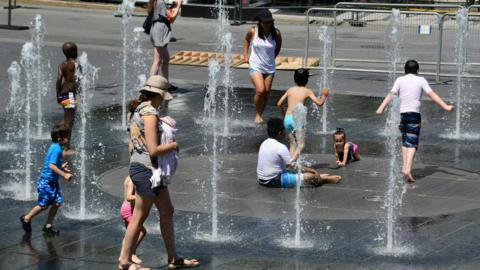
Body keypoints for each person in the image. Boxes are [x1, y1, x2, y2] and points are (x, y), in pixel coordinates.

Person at [118, 75, 199, 270]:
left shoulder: (137, 110)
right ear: (158, 95)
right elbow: (154, 150)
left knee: (167, 210)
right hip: (147, 171)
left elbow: (132, 145)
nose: (163, 100)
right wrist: (173, 145)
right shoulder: (150, 114)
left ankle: (173, 258)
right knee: (138, 216)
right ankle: (124, 261)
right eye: (163, 97)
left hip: (147, 169)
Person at [376, 59, 454, 183]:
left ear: (405, 70)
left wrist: (381, 108)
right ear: (417, 71)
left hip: (403, 115)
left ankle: (404, 167)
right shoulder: (421, 80)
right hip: (414, 115)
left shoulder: (399, 80)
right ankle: (407, 169)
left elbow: (391, 94)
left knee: (405, 141)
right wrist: (445, 106)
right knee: (413, 142)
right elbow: (431, 94)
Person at [257, 118, 341, 188]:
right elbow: (293, 167)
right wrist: (311, 170)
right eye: (284, 131)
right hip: (273, 180)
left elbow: (288, 165)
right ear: (280, 133)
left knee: (298, 171)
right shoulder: (280, 147)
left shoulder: (264, 143)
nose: (285, 133)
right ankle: (324, 179)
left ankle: (319, 176)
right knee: (311, 176)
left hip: (261, 179)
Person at [20, 124, 73, 234]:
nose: (68, 139)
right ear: (60, 138)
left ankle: (48, 225)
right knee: (43, 205)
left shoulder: (56, 147)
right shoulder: (57, 149)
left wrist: (61, 167)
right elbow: (51, 166)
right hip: (46, 182)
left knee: (57, 203)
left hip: (52, 182)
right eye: (67, 136)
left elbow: (53, 163)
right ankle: (26, 218)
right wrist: (64, 174)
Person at [276, 68, 329, 161]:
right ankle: (291, 162)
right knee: (301, 144)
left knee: (293, 144)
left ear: (294, 79)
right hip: (297, 118)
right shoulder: (307, 91)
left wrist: (283, 114)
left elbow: (279, 104)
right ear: (307, 80)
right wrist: (324, 95)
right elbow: (319, 103)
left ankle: (289, 163)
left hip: (287, 119)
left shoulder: (290, 90)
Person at [243, 9, 282, 124]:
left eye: (269, 22)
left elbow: (278, 47)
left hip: (269, 67)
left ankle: (260, 114)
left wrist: (272, 57)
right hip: (255, 65)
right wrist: (245, 55)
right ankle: (257, 114)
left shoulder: (276, 33)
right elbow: (246, 41)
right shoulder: (253, 31)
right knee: (260, 90)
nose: (267, 25)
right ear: (259, 22)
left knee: (266, 93)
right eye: (265, 22)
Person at [148, 0, 182, 91]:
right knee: (157, 61)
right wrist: (178, 5)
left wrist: (173, 7)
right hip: (160, 31)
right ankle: (151, 86)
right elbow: (171, 17)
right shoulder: (160, 2)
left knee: (166, 58)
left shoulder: (158, 2)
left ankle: (165, 84)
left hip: (159, 29)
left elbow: (167, 16)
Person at [56, 42, 79, 150]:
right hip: (70, 95)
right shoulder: (76, 64)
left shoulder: (61, 65)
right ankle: (66, 147)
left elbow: (58, 80)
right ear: (74, 52)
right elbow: (78, 81)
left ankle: (58, 135)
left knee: (66, 118)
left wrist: (58, 94)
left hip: (63, 93)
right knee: (70, 121)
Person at [120, 176, 146, 265]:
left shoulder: (129, 177)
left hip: (128, 209)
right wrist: (142, 195)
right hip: (128, 210)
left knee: (129, 234)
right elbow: (128, 197)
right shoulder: (131, 180)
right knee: (142, 231)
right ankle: (131, 253)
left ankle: (124, 255)